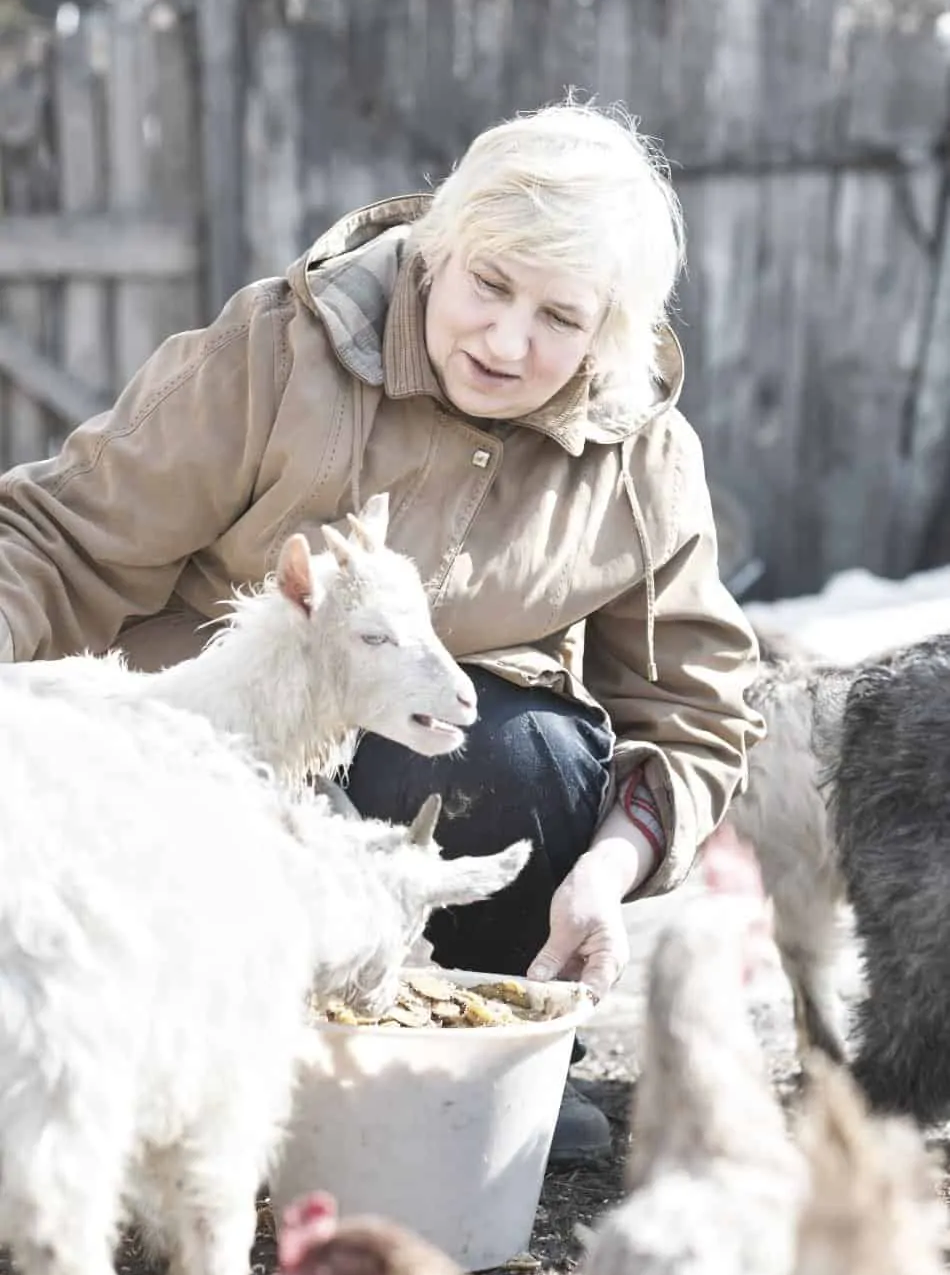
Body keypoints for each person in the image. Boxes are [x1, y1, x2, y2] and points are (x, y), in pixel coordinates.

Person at [0, 100, 764, 1165]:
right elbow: (54, 535)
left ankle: (459, 1045)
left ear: (608, 331)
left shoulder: (643, 460)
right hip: (214, 768)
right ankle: (167, 1054)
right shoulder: (276, 353)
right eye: (488, 285)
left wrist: (612, 866)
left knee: (527, 752)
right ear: (434, 253)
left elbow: (695, 711)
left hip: (436, 797)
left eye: (558, 316)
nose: (506, 340)